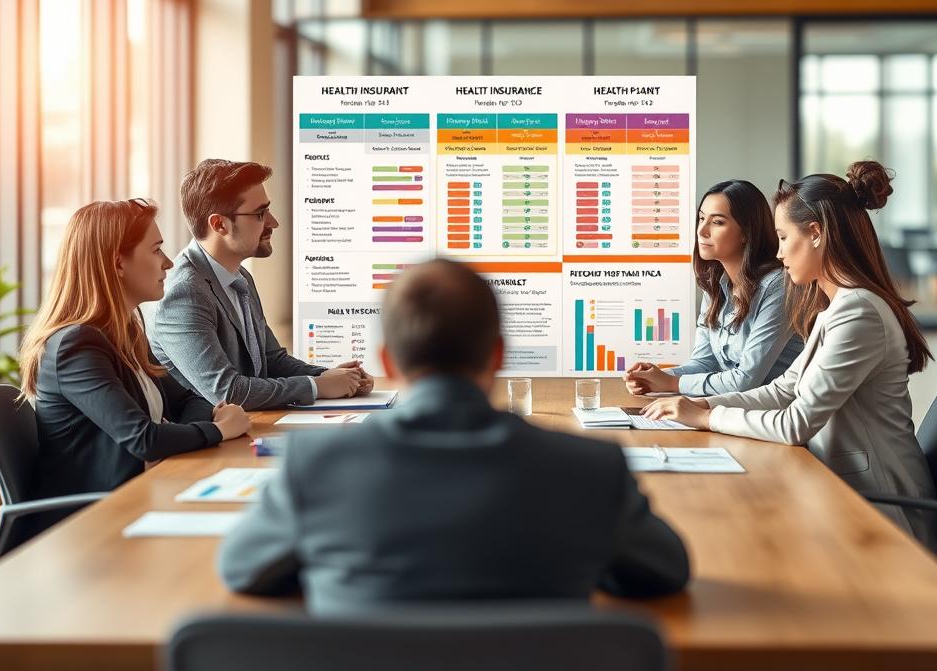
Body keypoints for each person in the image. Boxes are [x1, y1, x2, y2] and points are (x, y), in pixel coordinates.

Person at [218, 258, 690, 611]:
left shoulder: (314, 465)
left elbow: (243, 569)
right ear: (498, 354)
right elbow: (665, 572)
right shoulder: (591, 470)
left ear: (387, 362)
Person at [642, 161, 937, 552]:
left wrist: (706, 416)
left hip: (883, 516)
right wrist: (699, 403)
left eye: (784, 237)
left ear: (815, 234)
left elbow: (796, 422)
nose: (779, 253)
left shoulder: (859, 312)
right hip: (842, 493)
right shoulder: (837, 307)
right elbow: (784, 389)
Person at [22, 199, 251, 499]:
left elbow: (190, 400)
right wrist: (220, 430)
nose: (168, 262)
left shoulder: (124, 333)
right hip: (95, 518)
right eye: (156, 249)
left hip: (147, 490)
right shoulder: (74, 347)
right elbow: (144, 439)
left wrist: (173, 436)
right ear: (119, 263)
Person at [149, 159, 373, 410]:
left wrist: (335, 377)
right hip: (209, 442)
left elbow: (270, 360)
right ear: (219, 224)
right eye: (260, 214)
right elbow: (227, 392)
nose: (273, 222)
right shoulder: (185, 292)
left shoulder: (239, 276)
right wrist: (316, 386)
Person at [624, 180, 803, 404]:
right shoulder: (716, 286)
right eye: (701, 218)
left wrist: (671, 383)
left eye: (717, 222)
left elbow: (745, 381)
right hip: (731, 410)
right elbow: (704, 363)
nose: (702, 230)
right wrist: (655, 377)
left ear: (746, 232)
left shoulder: (779, 287)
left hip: (774, 417)